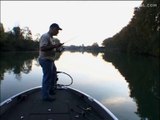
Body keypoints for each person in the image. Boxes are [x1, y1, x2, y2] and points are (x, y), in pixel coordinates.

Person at [38, 23, 63, 101]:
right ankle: (45, 96)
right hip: (45, 60)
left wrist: (58, 49)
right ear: (52, 28)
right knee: (47, 78)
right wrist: (55, 46)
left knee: (53, 75)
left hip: (50, 60)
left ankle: (51, 90)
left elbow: (50, 48)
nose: (58, 32)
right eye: (57, 30)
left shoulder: (51, 38)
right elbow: (43, 48)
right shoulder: (45, 36)